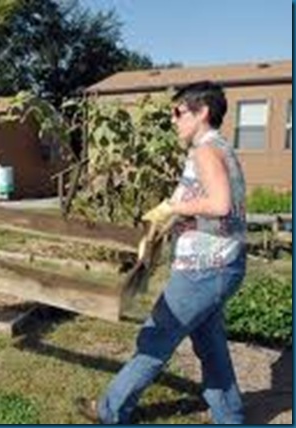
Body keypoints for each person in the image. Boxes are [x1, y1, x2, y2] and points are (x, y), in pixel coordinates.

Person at [79, 81, 247, 424]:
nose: (173, 119)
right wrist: (167, 220)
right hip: (219, 265)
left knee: (156, 337)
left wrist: (175, 206)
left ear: (201, 113)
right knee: (210, 344)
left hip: (205, 269)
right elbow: (208, 206)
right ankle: (230, 417)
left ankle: (110, 411)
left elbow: (219, 204)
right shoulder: (216, 148)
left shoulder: (205, 151)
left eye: (178, 111)